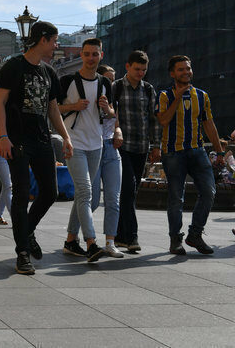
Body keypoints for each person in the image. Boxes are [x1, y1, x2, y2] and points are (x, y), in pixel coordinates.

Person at [0, 21, 73, 275]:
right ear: (42, 39)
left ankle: (27, 232)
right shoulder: (13, 66)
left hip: (41, 140)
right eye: (54, 41)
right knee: (21, 194)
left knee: (50, 192)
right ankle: (22, 253)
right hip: (16, 139)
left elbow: (52, 109)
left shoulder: (49, 72)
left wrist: (66, 137)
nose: (56, 45)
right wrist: (3, 136)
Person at [157, 55, 224, 255]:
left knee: (209, 191)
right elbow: (163, 120)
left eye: (188, 68)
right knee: (176, 197)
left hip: (198, 150)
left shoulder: (202, 96)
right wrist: (177, 97)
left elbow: (208, 124)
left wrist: (219, 151)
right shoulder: (164, 96)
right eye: (180, 69)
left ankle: (195, 234)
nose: (186, 72)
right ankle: (175, 239)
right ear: (172, 73)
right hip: (173, 152)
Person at [58, 38, 115, 262]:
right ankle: (91, 242)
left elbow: (111, 114)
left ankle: (71, 240)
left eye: (95, 54)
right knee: (86, 192)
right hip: (74, 142)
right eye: (87, 54)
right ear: (81, 55)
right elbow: (54, 109)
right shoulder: (68, 81)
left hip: (96, 143)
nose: (91, 58)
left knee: (84, 195)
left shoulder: (105, 83)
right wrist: (73, 106)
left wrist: (107, 108)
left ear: (101, 55)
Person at [70, 64, 124, 258]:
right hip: (91, 146)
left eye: (112, 78)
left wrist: (116, 127)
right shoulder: (86, 92)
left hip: (110, 148)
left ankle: (109, 242)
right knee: (88, 198)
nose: (111, 82)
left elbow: (115, 119)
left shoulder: (110, 96)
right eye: (107, 78)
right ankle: (73, 237)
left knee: (113, 198)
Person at [112, 50, 161, 253]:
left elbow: (154, 119)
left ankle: (119, 235)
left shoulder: (148, 89)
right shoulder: (116, 87)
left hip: (141, 147)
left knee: (131, 192)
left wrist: (156, 145)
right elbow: (111, 115)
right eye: (137, 69)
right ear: (127, 67)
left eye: (143, 70)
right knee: (128, 188)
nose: (140, 73)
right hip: (121, 146)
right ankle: (131, 237)